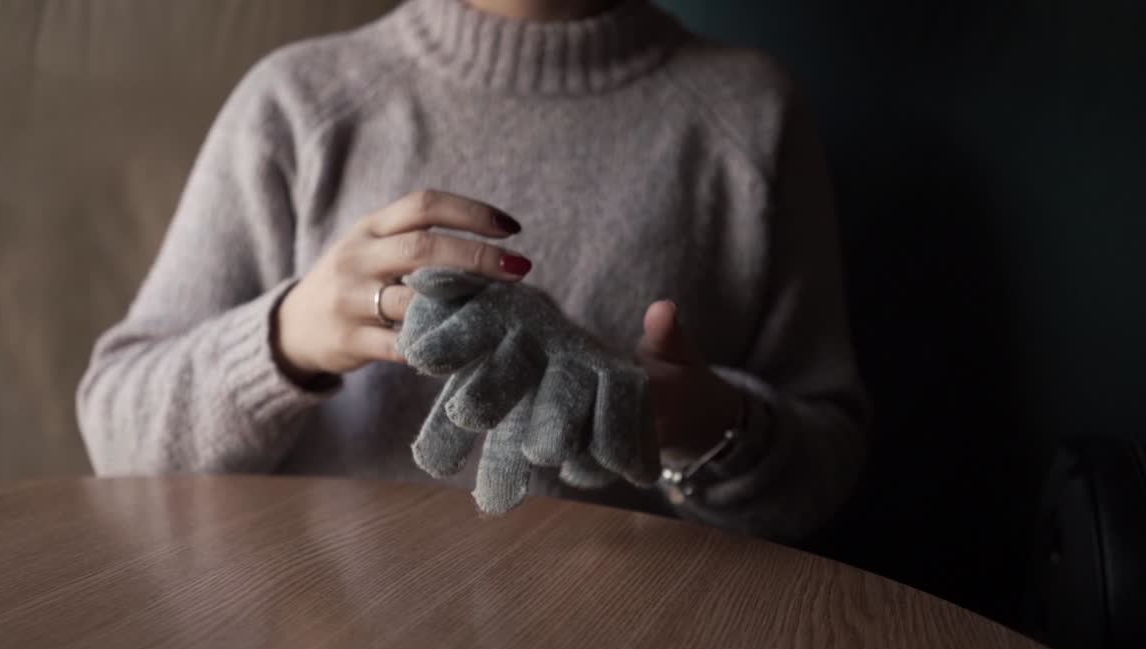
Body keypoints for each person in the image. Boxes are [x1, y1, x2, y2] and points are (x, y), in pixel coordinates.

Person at [77, 0, 870, 542]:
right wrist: (287, 339)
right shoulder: (299, 104)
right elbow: (118, 430)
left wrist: (695, 424)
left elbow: (827, 465)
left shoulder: (749, 116)